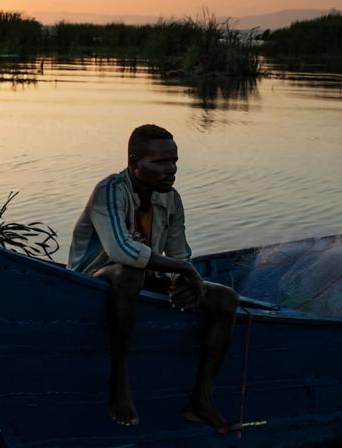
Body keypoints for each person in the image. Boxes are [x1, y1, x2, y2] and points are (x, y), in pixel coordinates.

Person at [67, 124, 240, 433]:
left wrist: (183, 281)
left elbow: (179, 252)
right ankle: (119, 379)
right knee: (129, 274)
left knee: (226, 298)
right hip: (92, 280)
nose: (171, 170)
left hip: (140, 278)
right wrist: (184, 271)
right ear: (135, 163)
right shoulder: (109, 191)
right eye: (160, 163)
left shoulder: (171, 199)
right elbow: (120, 250)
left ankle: (201, 401)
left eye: (174, 161)